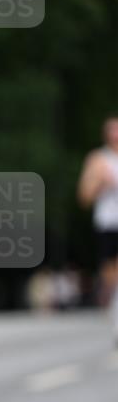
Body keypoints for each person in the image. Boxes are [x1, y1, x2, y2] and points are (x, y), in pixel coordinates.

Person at [77, 115, 118, 342]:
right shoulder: (97, 160)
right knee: (111, 277)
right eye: (112, 130)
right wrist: (100, 182)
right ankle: (115, 317)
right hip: (107, 223)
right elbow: (84, 197)